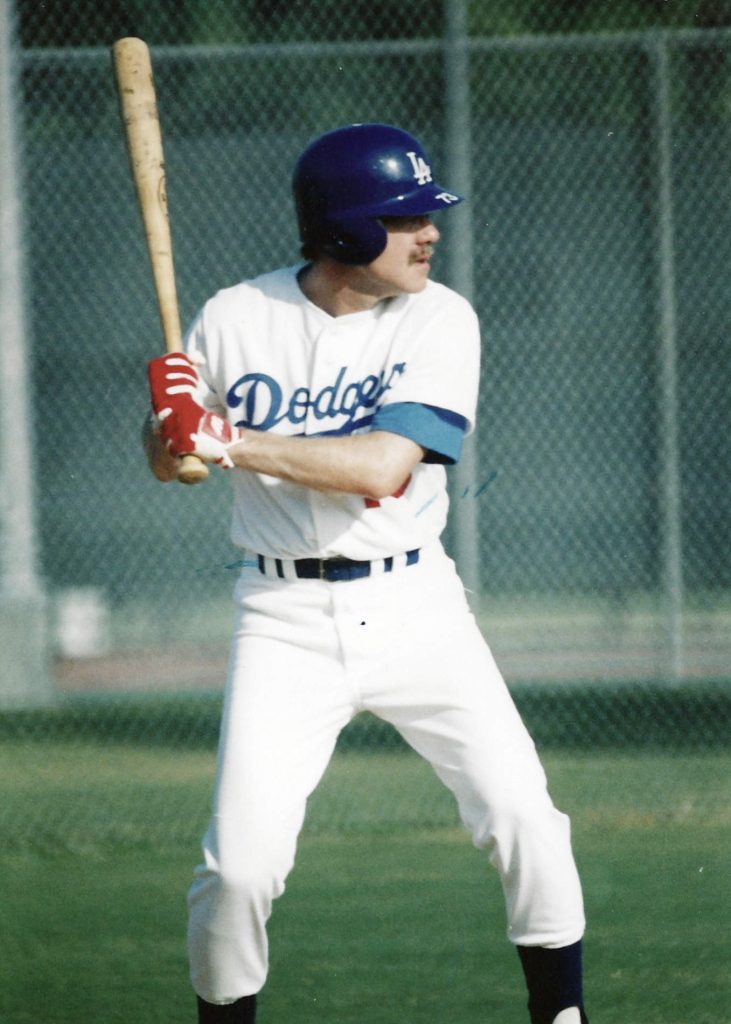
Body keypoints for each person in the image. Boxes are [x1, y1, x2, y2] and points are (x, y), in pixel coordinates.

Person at [143, 123, 590, 1024]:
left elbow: (382, 467)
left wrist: (224, 437)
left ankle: (564, 1017)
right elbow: (171, 461)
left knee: (524, 817)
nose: (429, 232)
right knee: (238, 870)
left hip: (414, 604)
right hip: (280, 613)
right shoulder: (234, 316)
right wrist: (169, 426)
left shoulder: (438, 317)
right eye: (404, 217)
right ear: (343, 232)